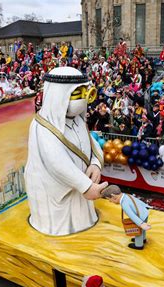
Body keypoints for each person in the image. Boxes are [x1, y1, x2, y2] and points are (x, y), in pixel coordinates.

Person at [25, 67, 106, 236]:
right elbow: (57, 163)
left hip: (81, 191)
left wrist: (96, 164)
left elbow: (93, 144)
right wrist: (86, 186)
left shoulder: (78, 120)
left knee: (81, 222)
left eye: (86, 92)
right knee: (62, 228)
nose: (84, 99)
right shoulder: (42, 127)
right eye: (77, 93)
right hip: (55, 197)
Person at [102, 185, 151, 250]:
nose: (110, 202)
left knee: (138, 232)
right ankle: (143, 239)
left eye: (110, 200)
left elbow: (132, 215)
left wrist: (141, 224)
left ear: (113, 196)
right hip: (144, 212)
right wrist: (146, 206)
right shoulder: (127, 195)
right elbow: (137, 201)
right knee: (142, 230)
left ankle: (139, 245)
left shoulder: (124, 204)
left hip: (140, 217)